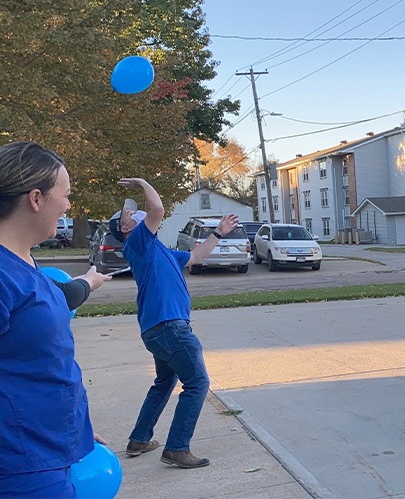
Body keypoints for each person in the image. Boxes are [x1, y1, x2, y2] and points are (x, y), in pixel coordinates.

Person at [0, 141, 111, 497]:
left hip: (51, 449)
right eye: (65, 195)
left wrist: (71, 424)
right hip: (21, 469)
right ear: (36, 198)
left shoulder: (26, 263)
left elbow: (39, 361)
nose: (67, 205)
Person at [110, 177, 239, 469]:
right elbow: (156, 209)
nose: (134, 212)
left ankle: (139, 439)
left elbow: (195, 256)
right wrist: (142, 184)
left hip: (159, 328)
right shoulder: (138, 244)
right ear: (126, 228)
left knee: (164, 381)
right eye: (128, 214)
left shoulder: (161, 251)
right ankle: (177, 448)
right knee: (197, 382)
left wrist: (218, 232)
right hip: (170, 327)